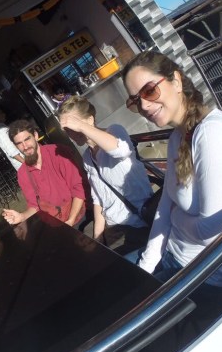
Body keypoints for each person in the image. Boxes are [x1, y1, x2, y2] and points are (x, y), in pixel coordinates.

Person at [122, 50, 222, 287]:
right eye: (135, 101)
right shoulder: (177, 136)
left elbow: (212, 232)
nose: (144, 105)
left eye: (149, 91)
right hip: (171, 253)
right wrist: (147, 265)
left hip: (203, 274)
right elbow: (165, 205)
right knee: (114, 280)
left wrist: (175, 217)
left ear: (176, 80)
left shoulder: (213, 135)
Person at [58, 95, 153, 254]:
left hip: (138, 222)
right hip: (113, 226)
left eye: (73, 126)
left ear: (90, 120)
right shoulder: (87, 157)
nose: (71, 134)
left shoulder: (114, 131)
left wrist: (81, 126)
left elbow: (120, 150)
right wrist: (98, 236)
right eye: (67, 131)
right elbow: (98, 197)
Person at [2, 119, 89, 227]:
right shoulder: (23, 173)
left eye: (27, 139)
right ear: (15, 146)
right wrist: (22, 216)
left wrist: (71, 220)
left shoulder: (58, 152)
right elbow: (34, 206)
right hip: (57, 225)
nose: (25, 146)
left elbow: (78, 187)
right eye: (19, 143)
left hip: (81, 216)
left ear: (35, 135)